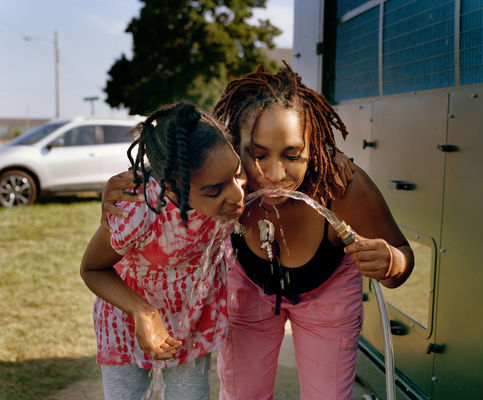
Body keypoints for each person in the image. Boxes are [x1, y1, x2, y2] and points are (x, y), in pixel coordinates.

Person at [101, 64, 414, 399]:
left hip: (329, 296)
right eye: (258, 154)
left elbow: (400, 266)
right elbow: (178, 172)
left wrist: (393, 262)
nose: (275, 173)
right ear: (234, 144)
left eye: (293, 155)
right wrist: (117, 194)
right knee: (242, 393)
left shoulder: (341, 188)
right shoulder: (226, 182)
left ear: (315, 148)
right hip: (247, 288)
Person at [80, 101, 247, 400]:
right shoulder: (138, 210)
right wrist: (142, 311)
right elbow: (92, 268)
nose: (237, 195)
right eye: (214, 189)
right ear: (171, 187)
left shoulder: (230, 190)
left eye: (238, 174)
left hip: (189, 324)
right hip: (126, 325)